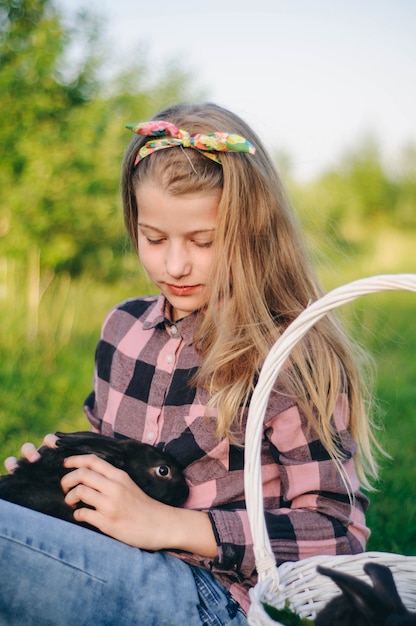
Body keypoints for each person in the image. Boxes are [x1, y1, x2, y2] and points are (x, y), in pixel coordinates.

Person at [0, 102, 376, 625]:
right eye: (154, 239)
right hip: (107, 564)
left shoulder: (289, 355)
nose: (174, 265)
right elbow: (109, 461)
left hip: (211, 599)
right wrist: (56, 486)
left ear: (251, 233)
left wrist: (167, 524)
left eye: (203, 241)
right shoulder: (123, 329)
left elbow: (339, 536)